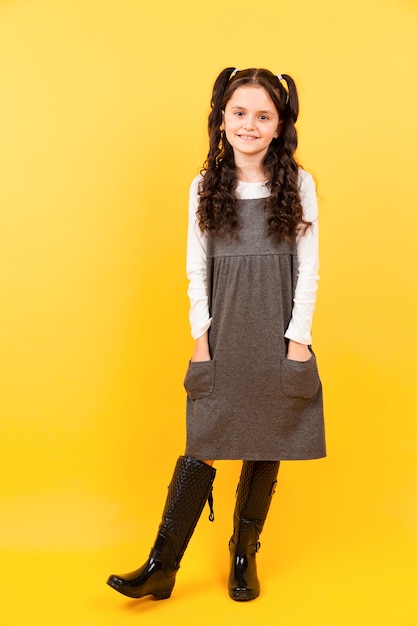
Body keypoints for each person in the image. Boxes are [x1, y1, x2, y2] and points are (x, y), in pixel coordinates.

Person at [107, 66, 326, 603]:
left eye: (263, 115)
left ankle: (243, 553)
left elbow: (310, 267)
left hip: (278, 333)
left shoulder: (298, 184)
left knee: (266, 437)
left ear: (279, 125)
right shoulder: (204, 186)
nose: (249, 124)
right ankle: (163, 563)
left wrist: (297, 341)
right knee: (204, 439)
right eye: (239, 113)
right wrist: (201, 338)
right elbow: (196, 269)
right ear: (221, 119)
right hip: (224, 331)